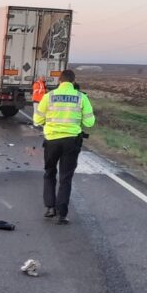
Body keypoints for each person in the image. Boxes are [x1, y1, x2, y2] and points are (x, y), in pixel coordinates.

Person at [33, 69, 95, 224]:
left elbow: (37, 120)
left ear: (59, 81)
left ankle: (50, 208)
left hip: (52, 140)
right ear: (73, 82)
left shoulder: (49, 96)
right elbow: (89, 123)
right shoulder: (81, 97)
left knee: (49, 173)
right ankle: (62, 214)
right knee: (65, 178)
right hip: (71, 141)